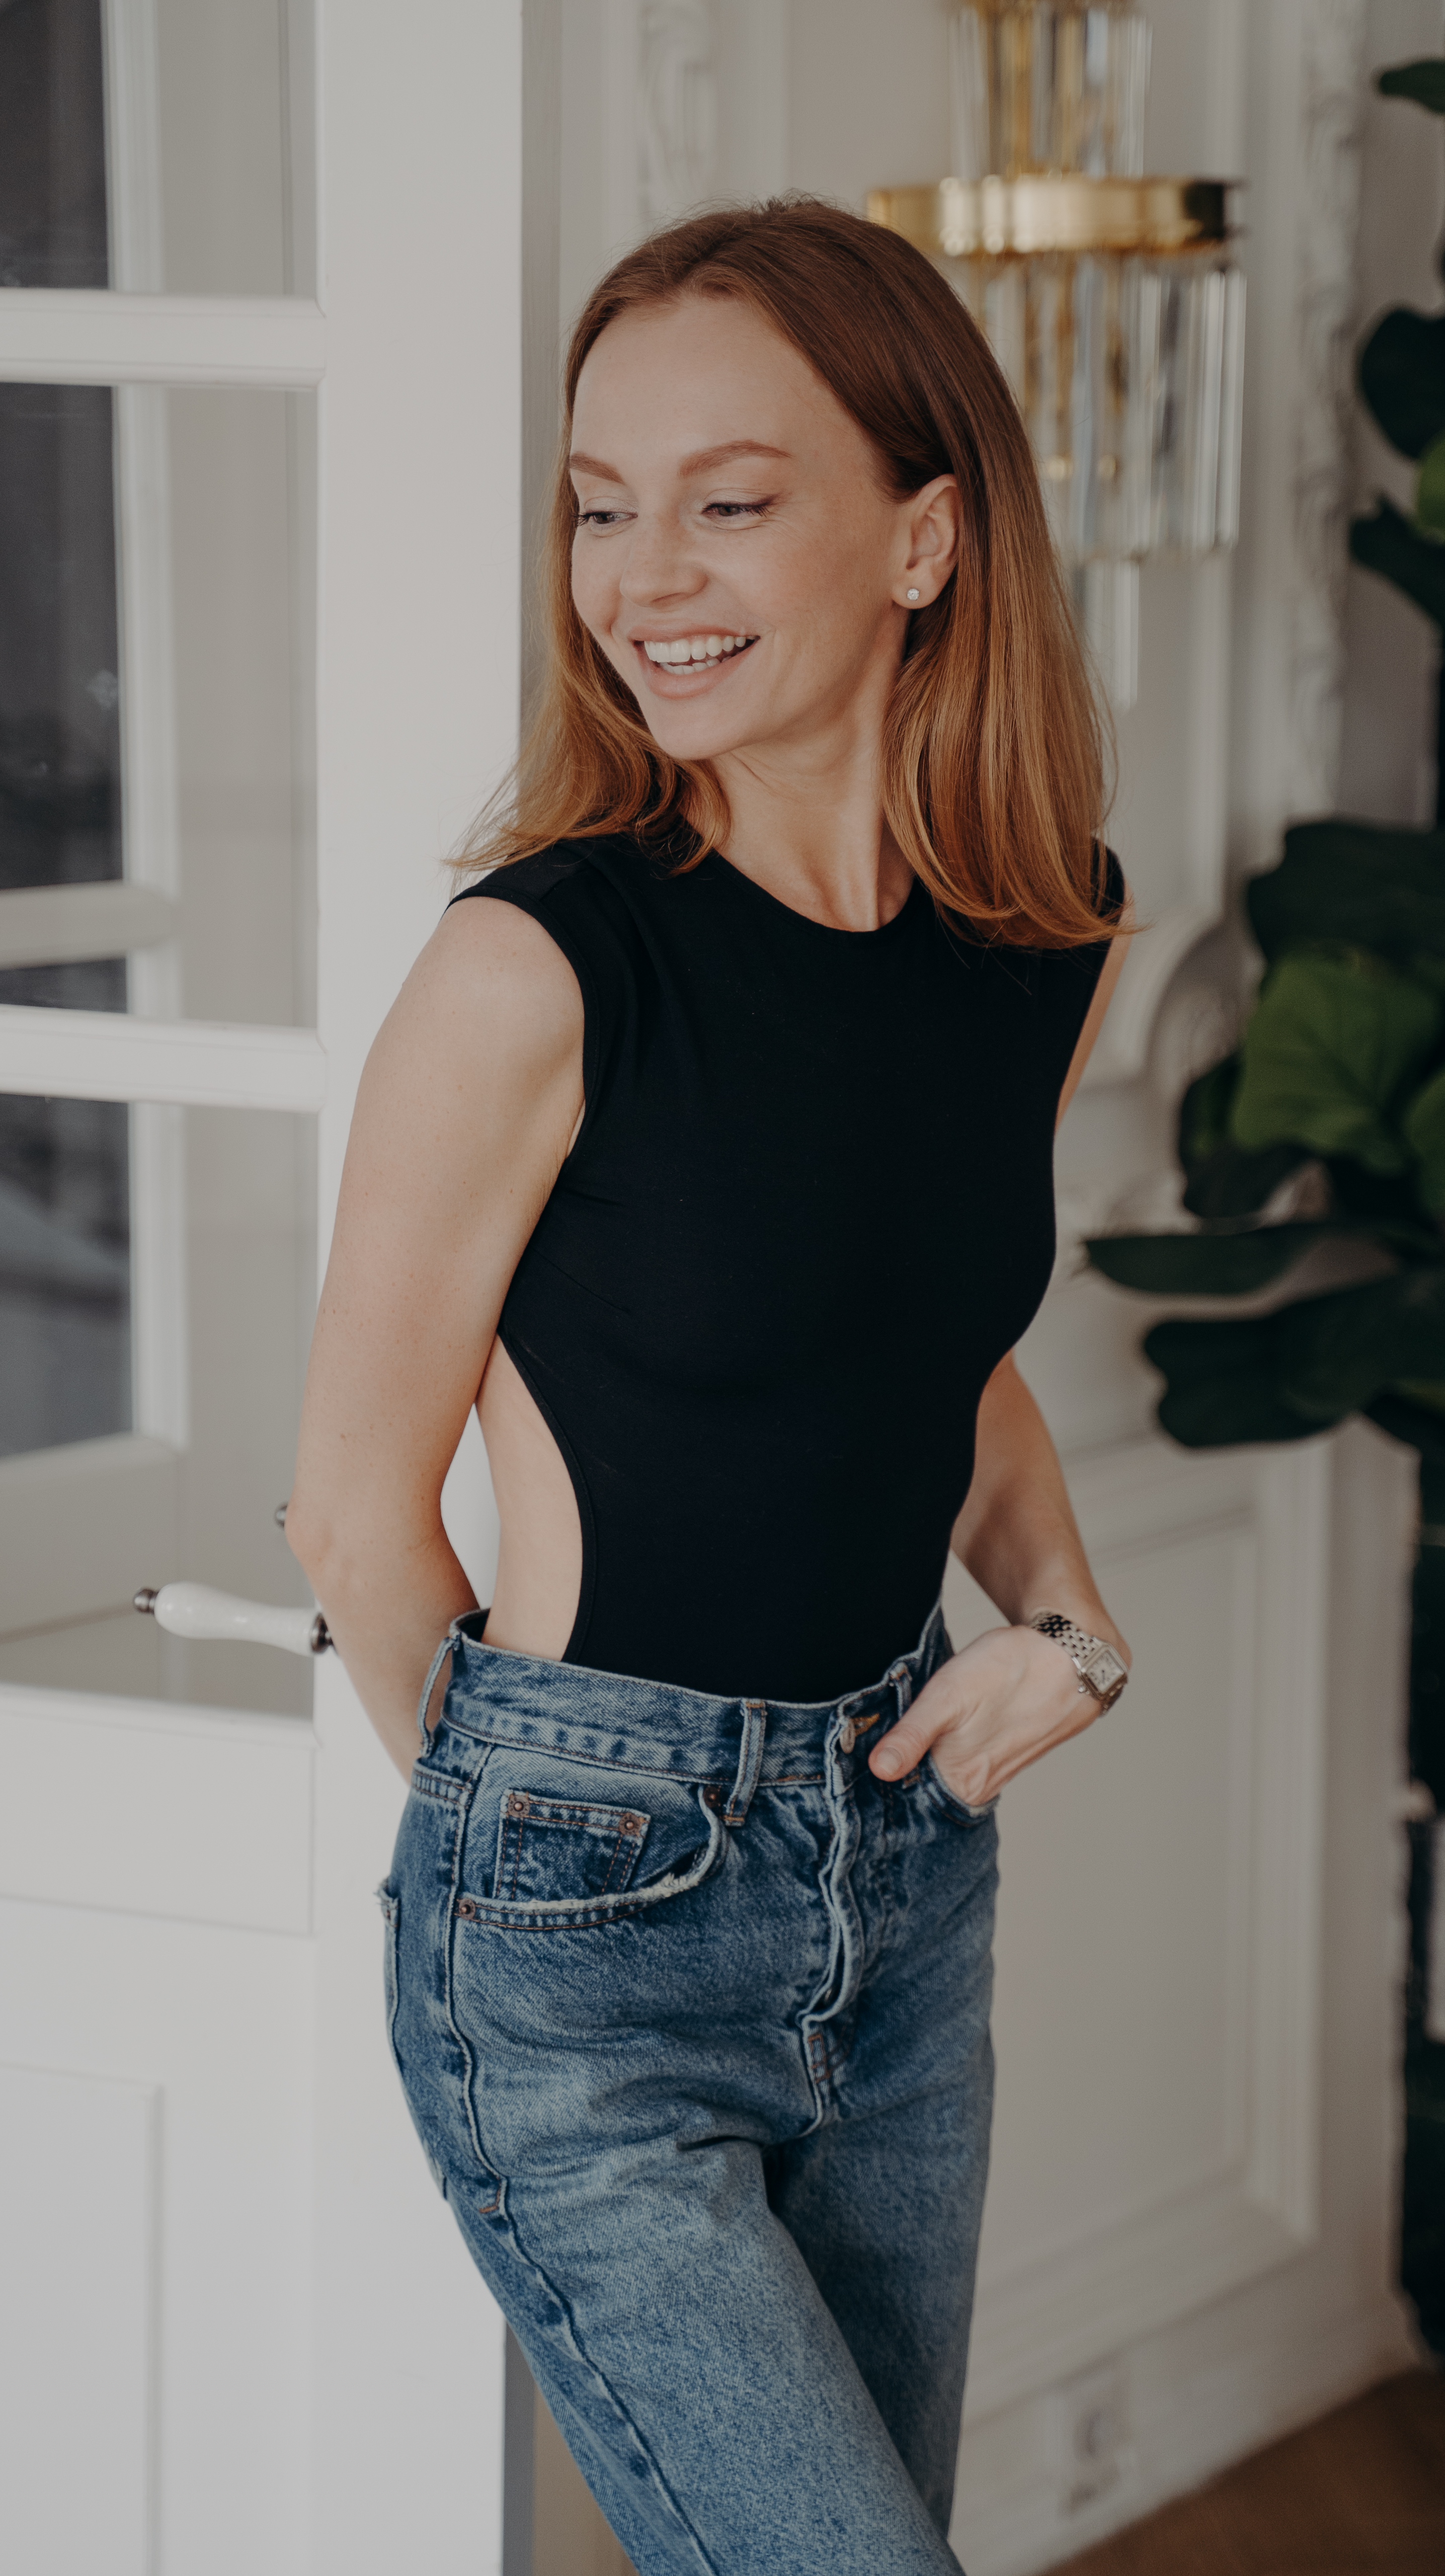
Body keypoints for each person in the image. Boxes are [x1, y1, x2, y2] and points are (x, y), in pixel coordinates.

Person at [288, 196, 1134, 2576]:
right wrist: (556, 1854)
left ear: (926, 534)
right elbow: (354, 1510)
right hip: (587, 1902)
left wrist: (1063, 1623)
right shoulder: (536, 965)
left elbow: (933, 1348)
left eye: (729, 497)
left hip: (905, 1871)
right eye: (597, 500)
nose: (641, 569)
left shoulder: (1035, 924)